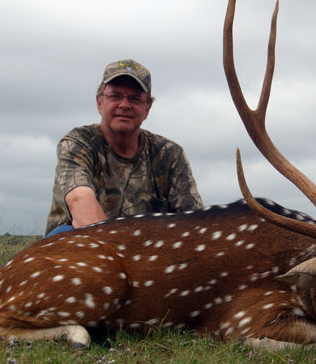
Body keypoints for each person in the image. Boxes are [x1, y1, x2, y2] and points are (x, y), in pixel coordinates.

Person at [45, 59, 202, 236]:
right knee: (64, 233)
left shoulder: (171, 154)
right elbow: (80, 203)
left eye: (135, 98)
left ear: (147, 108)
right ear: (99, 102)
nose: (125, 105)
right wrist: (126, 260)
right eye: (115, 96)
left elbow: (193, 224)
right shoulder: (78, 143)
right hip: (88, 245)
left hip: (151, 251)